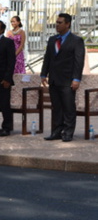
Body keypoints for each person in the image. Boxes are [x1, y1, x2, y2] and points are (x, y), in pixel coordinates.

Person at [41, 13, 85, 142]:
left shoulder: (76, 40)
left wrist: (76, 79)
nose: (57, 25)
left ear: (67, 24)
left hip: (67, 80)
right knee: (56, 107)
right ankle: (56, 131)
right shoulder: (52, 39)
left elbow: (79, 61)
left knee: (68, 108)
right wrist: (44, 74)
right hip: (54, 79)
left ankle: (68, 132)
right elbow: (47, 58)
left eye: (60, 22)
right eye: (56, 22)